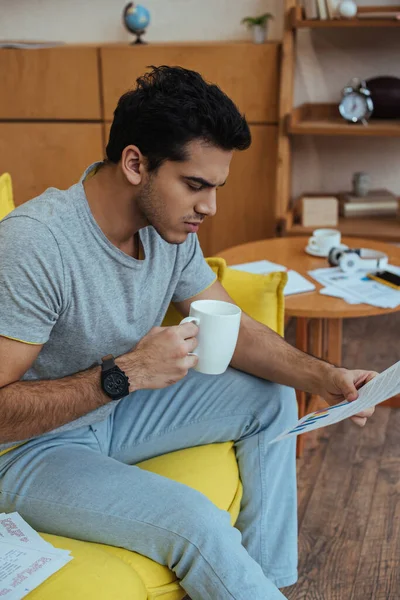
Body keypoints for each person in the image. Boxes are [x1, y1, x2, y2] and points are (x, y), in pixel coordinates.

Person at [0, 66, 375, 600]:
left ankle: (266, 585)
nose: (210, 207)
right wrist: (125, 375)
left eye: (216, 187)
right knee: (195, 522)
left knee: (268, 395)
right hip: (29, 452)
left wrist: (327, 376)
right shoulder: (36, 245)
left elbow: (236, 330)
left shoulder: (168, 232)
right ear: (135, 163)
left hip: (114, 413)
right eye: (195, 185)